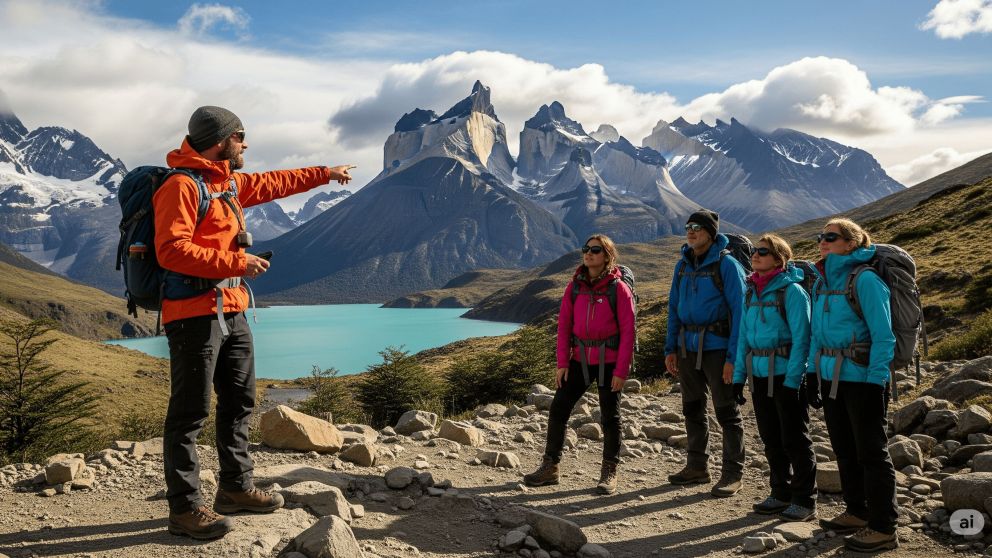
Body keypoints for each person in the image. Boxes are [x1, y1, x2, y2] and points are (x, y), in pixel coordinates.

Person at [155, 106, 355, 540]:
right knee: (190, 413)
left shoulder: (227, 184)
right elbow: (171, 251)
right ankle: (185, 509)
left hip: (232, 309)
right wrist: (236, 261)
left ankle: (235, 488)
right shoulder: (182, 186)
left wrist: (326, 172)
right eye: (241, 136)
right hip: (193, 314)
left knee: (240, 401)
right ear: (221, 139)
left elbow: (276, 182)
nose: (246, 144)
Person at [808, 218, 899, 552]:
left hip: (862, 380)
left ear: (852, 243)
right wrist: (811, 374)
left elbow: (883, 337)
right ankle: (857, 511)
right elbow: (817, 334)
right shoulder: (822, 282)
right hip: (831, 378)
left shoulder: (867, 280)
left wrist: (877, 383)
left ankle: (883, 527)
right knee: (844, 450)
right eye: (821, 236)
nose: (823, 241)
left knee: (871, 453)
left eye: (830, 237)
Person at [523, 234, 635, 495]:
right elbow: (563, 326)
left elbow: (629, 332)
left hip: (609, 361)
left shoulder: (618, 289)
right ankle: (550, 467)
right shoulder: (574, 287)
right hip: (578, 360)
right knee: (559, 409)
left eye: (596, 250)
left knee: (610, 417)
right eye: (586, 249)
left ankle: (610, 472)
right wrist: (562, 362)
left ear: (607, 255)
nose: (589, 253)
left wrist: (621, 370)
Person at [731, 234, 817, 521]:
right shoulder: (751, 291)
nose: (755, 255)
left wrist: (794, 381)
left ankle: (804, 499)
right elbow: (744, 337)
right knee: (770, 438)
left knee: (795, 438)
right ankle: (780, 493)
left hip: (784, 376)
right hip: (757, 375)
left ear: (779, 259)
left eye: (763, 252)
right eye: (755, 251)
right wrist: (738, 378)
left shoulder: (792, 292)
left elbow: (802, 339)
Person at [664, 209, 746, 497]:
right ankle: (697, 466)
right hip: (687, 347)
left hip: (717, 348)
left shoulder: (727, 265)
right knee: (692, 408)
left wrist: (733, 358)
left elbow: (740, 313)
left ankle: (733, 473)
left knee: (727, 412)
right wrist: (670, 347)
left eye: (697, 227)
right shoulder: (682, 266)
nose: (691, 231)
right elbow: (673, 308)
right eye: (688, 226)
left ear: (711, 233)